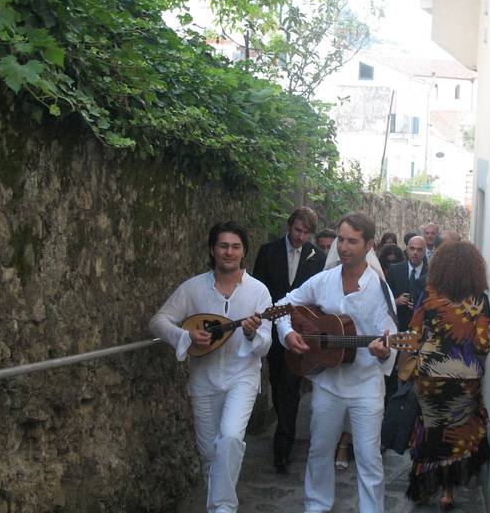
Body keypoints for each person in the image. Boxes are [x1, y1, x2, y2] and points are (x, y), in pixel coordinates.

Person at [277, 213, 397, 513]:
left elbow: (390, 338)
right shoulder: (324, 280)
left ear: (368, 245)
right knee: (319, 450)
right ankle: (316, 506)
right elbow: (282, 305)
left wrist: (383, 351)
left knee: (369, 458)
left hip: (366, 386)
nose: (343, 247)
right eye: (341, 240)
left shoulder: (381, 290)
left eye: (352, 241)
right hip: (327, 383)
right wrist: (288, 332)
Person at [149, 221, 272, 513]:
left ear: (244, 252)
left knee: (229, 438)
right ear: (212, 249)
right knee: (209, 454)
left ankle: (223, 509)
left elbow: (266, 345)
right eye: (223, 246)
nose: (229, 252)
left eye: (236, 247)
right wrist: (185, 336)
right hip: (203, 379)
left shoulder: (259, 292)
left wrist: (253, 333)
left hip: (242, 376)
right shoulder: (193, 288)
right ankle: (217, 506)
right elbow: (158, 321)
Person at [405, 242, 490, 511]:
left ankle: (422, 488)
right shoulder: (480, 299)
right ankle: (448, 493)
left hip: (429, 374)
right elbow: (482, 345)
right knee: (454, 434)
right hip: (465, 379)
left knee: (429, 430)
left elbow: (414, 333)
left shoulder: (429, 295)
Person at [251, 207, 325, 474]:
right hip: (271, 329)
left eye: (306, 233)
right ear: (289, 226)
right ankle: (284, 431)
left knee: (290, 386)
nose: (301, 236)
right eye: (297, 230)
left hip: (299, 332)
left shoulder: (318, 258)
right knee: (277, 382)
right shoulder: (267, 252)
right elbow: (258, 290)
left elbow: (316, 299)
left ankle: (283, 446)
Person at [385, 236, 428, 332]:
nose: (415, 252)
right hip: (397, 325)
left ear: (425, 252)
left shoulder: (431, 274)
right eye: (412, 249)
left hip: (421, 327)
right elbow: (384, 299)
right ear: (407, 250)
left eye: (419, 249)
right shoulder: (394, 270)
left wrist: (420, 305)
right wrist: (396, 301)